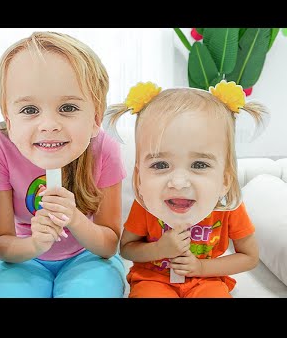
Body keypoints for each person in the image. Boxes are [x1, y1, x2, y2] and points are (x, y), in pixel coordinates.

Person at [0, 31, 127, 298]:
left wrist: (75, 219)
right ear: (8, 119)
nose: (49, 125)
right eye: (29, 110)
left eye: (68, 108)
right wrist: (35, 244)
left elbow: (108, 246)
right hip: (21, 257)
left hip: (87, 257)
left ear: (95, 117)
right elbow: (1, 244)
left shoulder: (105, 147)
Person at [105, 80, 267, 298]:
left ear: (226, 179)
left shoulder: (228, 208)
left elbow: (249, 256)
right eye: (160, 165)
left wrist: (201, 269)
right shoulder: (147, 206)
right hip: (153, 279)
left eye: (199, 165)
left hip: (207, 281)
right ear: (139, 177)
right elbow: (127, 248)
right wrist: (159, 250)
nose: (179, 183)